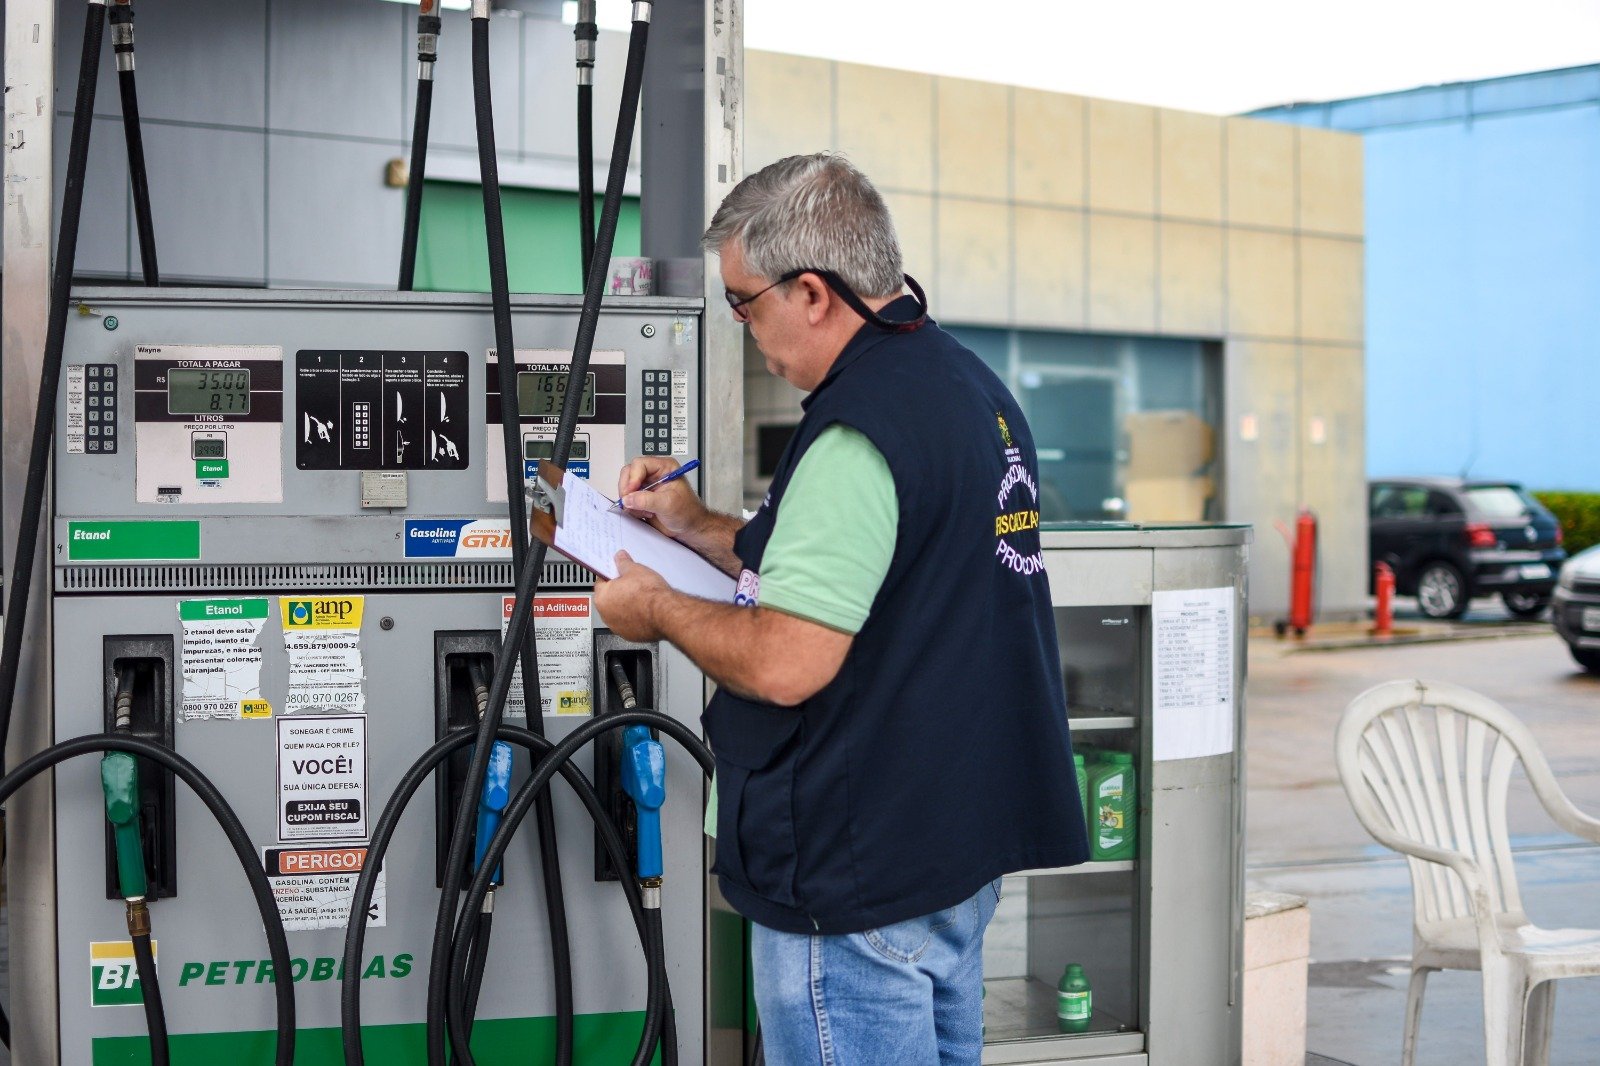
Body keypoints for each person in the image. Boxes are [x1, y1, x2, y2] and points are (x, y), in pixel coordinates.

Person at [593, 153, 1087, 1065]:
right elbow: (864, 565)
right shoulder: (968, 391)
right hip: (947, 854)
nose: (746, 329)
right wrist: (694, 524)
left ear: (812, 292)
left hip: (855, 879)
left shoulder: (858, 429)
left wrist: (655, 607)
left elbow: (788, 661)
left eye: (745, 305)